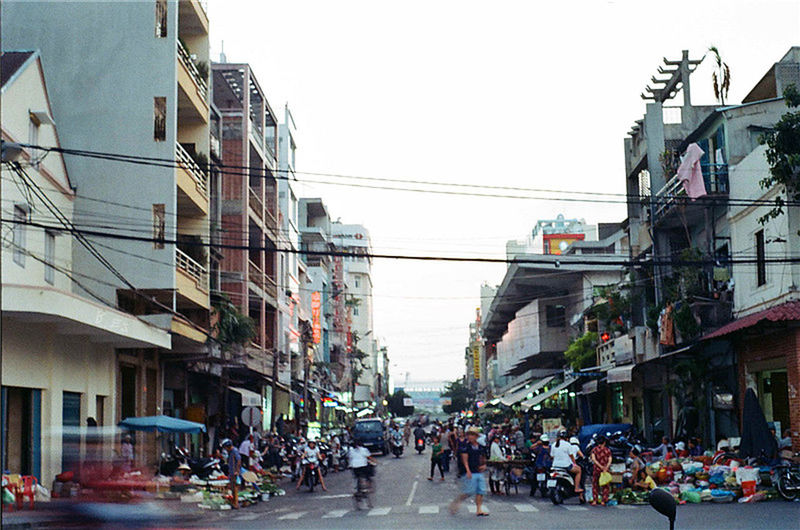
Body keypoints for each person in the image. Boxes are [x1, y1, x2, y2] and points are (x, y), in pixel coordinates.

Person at [449, 426, 489, 516]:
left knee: (480, 491)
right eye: (470, 435)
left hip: (478, 471)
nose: (471, 437)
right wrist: (467, 470)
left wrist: (484, 465)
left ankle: (479, 509)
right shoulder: (466, 447)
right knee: (468, 491)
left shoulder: (480, 447)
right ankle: (456, 502)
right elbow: (464, 459)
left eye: (473, 435)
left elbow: (483, 458)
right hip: (470, 471)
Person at [551, 431, 583, 495]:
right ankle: (576, 488)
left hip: (555, 465)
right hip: (566, 465)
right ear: (567, 438)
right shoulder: (568, 445)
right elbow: (571, 456)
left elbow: (552, 456)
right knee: (579, 470)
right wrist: (574, 464)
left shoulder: (553, 445)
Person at [590, 436, 612, 506]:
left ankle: (595, 501)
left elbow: (593, 459)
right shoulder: (607, 450)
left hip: (597, 469)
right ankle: (603, 500)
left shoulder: (594, 450)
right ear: (604, 442)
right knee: (605, 485)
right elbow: (610, 459)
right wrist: (606, 467)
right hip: (605, 470)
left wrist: (600, 466)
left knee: (595, 485)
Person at [221, 439, 241, 509]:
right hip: (231, 472)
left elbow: (238, 460)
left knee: (235, 488)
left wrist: (237, 471)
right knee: (232, 487)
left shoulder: (234, 451)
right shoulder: (230, 452)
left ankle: (236, 503)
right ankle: (234, 502)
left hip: (234, 472)